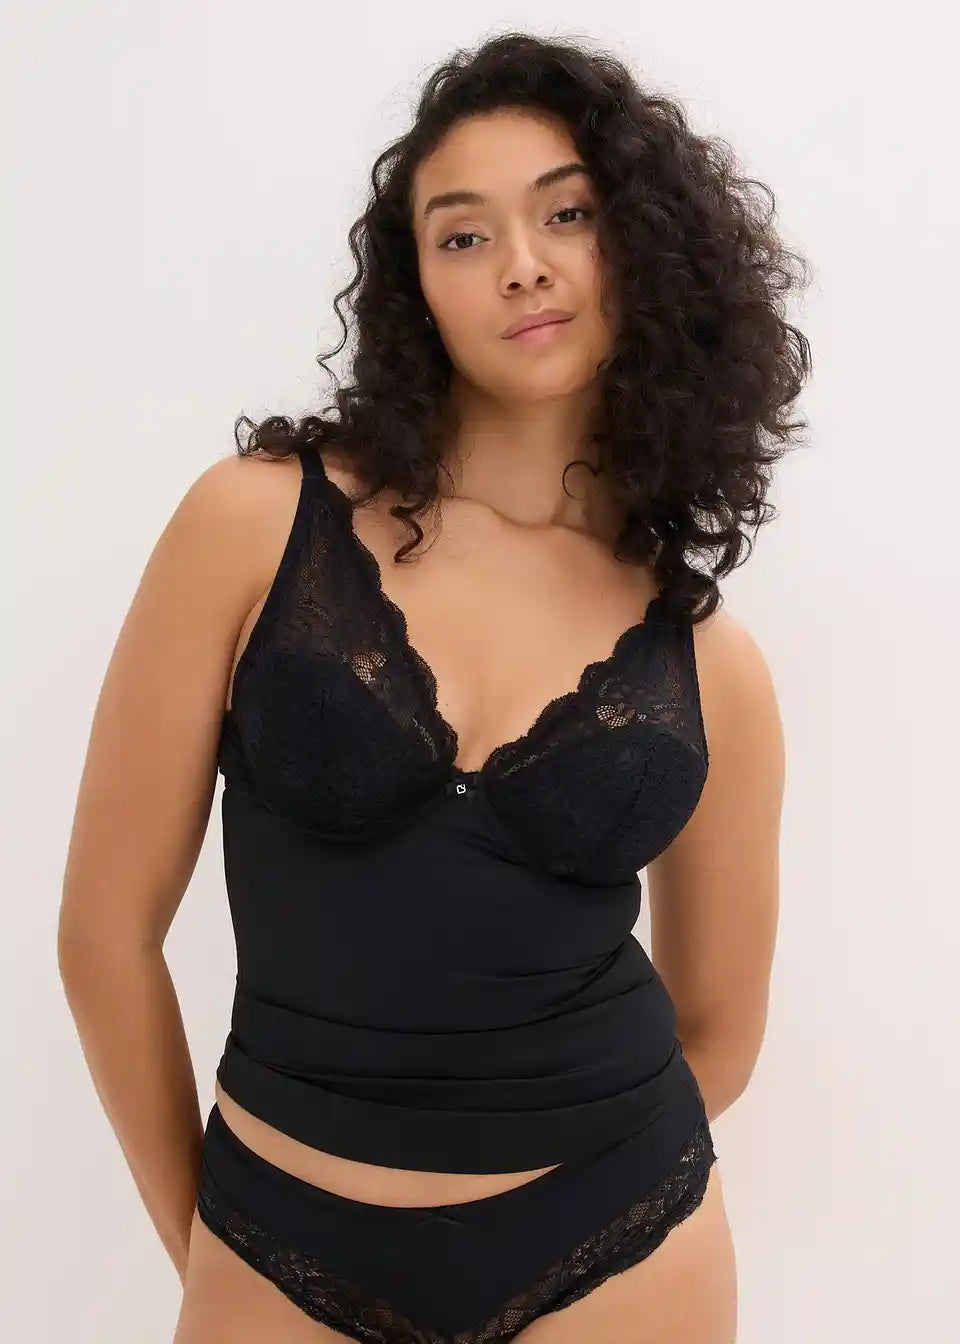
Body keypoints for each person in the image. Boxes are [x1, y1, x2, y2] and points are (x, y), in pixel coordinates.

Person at [58, 31, 807, 1344]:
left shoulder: (710, 666)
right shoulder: (255, 525)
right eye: (463, 235)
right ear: (417, 289)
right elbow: (104, 934)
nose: (521, 263)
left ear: (645, 246)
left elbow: (720, 1034)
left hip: (620, 1249)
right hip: (275, 1234)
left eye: (567, 213)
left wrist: (590, 1171)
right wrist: (212, 1249)